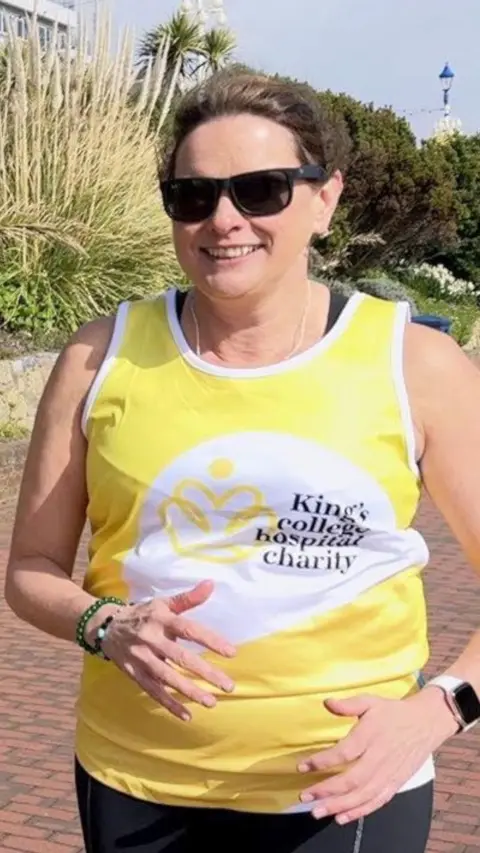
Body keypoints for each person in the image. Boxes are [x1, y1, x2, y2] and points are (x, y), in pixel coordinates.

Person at [5, 70, 480, 853]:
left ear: (325, 199)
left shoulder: (412, 363)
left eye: (260, 190)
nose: (223, 220)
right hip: (135, 783)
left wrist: (440, 709)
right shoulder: (99, 356)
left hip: (344, 795)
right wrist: (104, 622)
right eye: (191, 196)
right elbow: (30, 568)